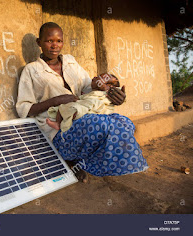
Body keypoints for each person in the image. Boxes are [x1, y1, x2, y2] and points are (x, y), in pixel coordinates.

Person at [16, 22, 148, 181]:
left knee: (124, 122)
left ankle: (81, 161)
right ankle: (69, 160)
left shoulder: (70, 61)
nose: (54, 45)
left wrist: (111, 93)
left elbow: (87, 88)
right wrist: (56, 100)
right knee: (100, 125)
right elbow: (24, 109)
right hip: (56, 126)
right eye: (49, 41)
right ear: (39, 43)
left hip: (82, 114)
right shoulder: (31, 70)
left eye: (59, 41)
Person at [46, 73, 120, 132]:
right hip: (89, 112)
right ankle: (59, 122)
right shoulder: (92, 92)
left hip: (93, 110)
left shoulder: (104, 95)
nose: (94, 77)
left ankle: (59, 122)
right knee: (64, 107)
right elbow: (84, 99)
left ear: (107, 86)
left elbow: (85, 100)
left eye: (98, 77)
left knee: (67, 108)